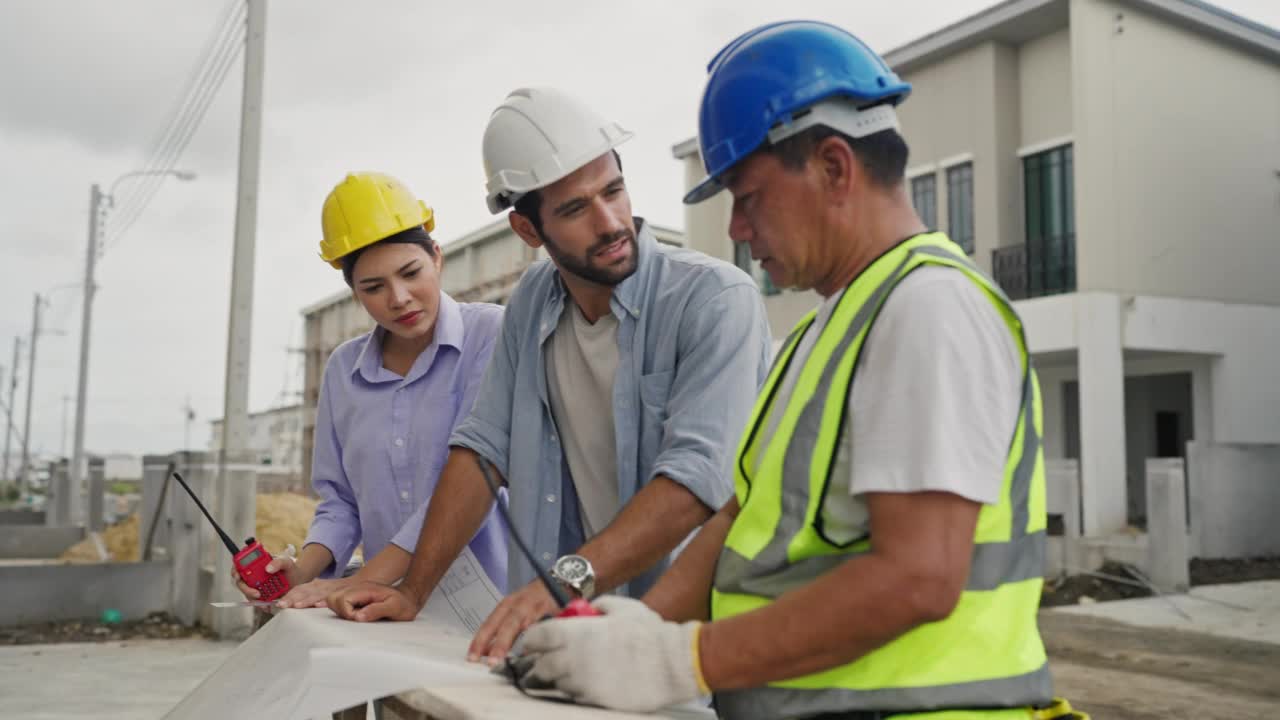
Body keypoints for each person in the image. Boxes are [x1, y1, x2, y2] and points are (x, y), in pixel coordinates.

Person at [514, 22, 1083, 720]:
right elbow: (738, 515)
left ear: (835, 167)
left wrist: (682, 660)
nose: (736, 232)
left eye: (747, 198)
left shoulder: (928, 308)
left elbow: (919, 577)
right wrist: (638, 629)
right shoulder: (828, 328)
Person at [327, 87, 772, 665]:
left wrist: (562, 582)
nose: (610, 222)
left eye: (612, 191)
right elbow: (483, 450)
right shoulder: (535, 299)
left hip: (704, 640)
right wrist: (411, 590)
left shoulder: (714, 301)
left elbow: (696, 478)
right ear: (528, 230)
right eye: (573, 209)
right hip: (581, 636)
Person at [236, 172, 508, 607]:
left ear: (437, 257)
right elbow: (340, 502)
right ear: (354, 294)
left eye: (410, 272)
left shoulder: (491, 335)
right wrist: (301, 573)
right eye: (374, 287)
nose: (399, 297)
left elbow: (470, 481)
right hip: (381, 611)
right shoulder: (344, 370)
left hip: (492, 604)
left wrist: (365, 580)